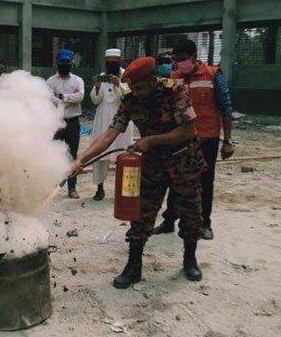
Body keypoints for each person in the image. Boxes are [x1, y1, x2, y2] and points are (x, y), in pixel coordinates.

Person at [70, 57, 207, 288]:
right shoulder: (131, 99)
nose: (136, 92)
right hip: (153, 165)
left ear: (154, 80)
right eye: (132, 87)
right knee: (141, 213)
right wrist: (82, 159)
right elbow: (109, 134)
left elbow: (187, 130)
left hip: (184, 160)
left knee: (191, 211)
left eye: (140, 87)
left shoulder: (176, 91)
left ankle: (190, 259)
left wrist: (151, 140)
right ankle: (134, 266)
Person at [153, 39, 235, 240]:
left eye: (183, 59)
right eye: (177, 60)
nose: (180, 64)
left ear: (195, 57)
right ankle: (169, 220)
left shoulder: (213, 75)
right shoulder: (174, 77)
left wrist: (228, 141)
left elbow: (226, 108)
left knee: (204, 182)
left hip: (207, 138)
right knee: (174, 179)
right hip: (180, 138)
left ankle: (204, 223)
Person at [89, 48, 133, 201]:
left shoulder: (127, 75)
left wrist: (119, 84)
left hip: (122, 122)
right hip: (102, 121)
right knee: (100, 155)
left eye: (115, 62)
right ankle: (99, 189)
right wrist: (96, 87)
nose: (112, 64)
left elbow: (130, 97)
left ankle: (123, 189)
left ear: (120, 60)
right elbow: (95, 100)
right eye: (109, 62)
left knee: (124, 155)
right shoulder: (102, 77)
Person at [47, 49, 84, 199]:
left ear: (71, 64)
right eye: (62, 62)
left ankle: (72, 187)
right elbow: (50, 98)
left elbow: (80, 96)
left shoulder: (78, 80)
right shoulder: (50, 81)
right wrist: (70, 97)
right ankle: (50, 187)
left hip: (73, 123)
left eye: (67, 62)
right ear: (57, 63)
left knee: (72, 155)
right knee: (52, 154)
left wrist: (62, 97)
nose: (65, 65)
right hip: (57, 123)